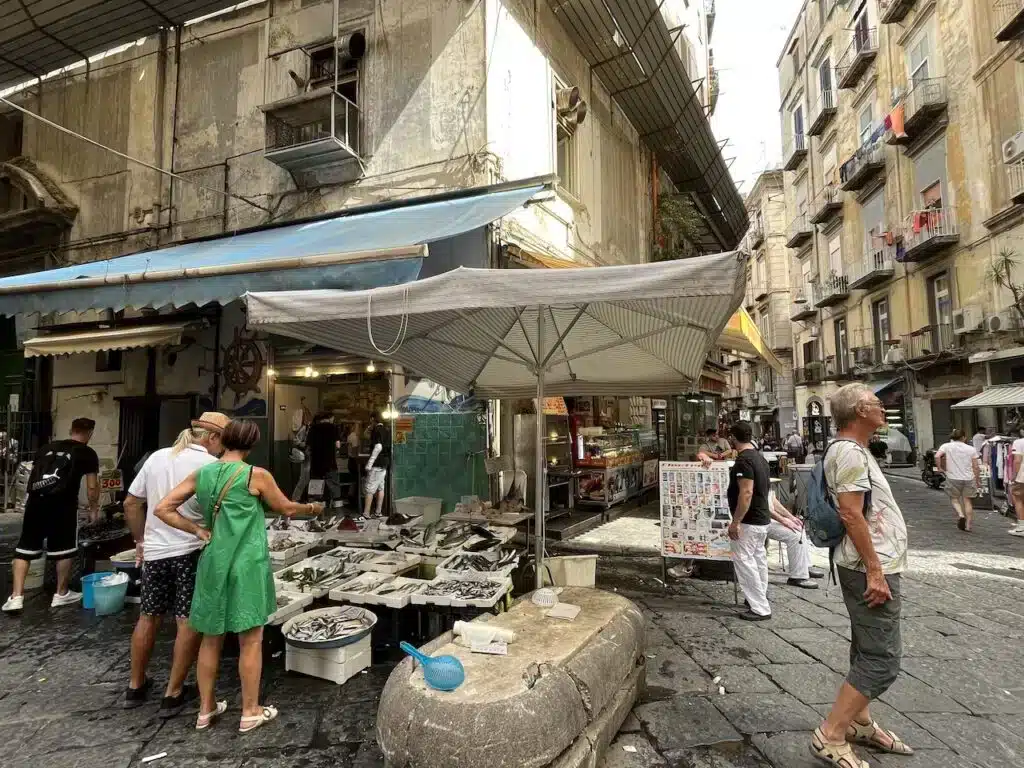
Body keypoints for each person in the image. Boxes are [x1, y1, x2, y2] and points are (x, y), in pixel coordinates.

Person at [154, 420, 323, 733]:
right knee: (251, 640)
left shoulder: (203, 474)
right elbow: (285, 508)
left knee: (210, 637)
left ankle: (205, 710)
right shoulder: (255, 475)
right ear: (251, 445)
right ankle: (250, 711)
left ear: (224, 440)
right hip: (247, 565)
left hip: (212, 562)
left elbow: (163, 508)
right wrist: (313, 507)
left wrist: (198, 530)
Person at [812, 383, 913, 768]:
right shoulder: (850, 453)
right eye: (875, 403)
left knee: (865, 649)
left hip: (867, 563)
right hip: (868, 566)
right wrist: (875, 570)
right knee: (882, 658)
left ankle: (860, 720)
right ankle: (832, 733)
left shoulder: (853, 451)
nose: (882, 407)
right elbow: (851, 513)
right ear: (858, 411)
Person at [122, 412, 228, 715]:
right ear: (213, 438)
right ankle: (173, 692)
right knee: (186, 620)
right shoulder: (211, 465)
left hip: (155, 553)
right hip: (192, 550)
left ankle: (135, 685)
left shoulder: (157, 458)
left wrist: (140, 541)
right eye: (223, 443)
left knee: (149, 616)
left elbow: (131, 502)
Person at [3, 418, 100, 612]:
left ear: (71, 430)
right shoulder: (87, 453)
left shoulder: (46, 448)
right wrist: (93, 508)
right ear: (89, 433)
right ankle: (61, 594)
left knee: (25, 549)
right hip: (62, 504)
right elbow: (92, 486)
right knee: (64, 549)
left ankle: (16, 596)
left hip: (35, 502)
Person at [701, 421, 772, 621]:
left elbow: (746, 492)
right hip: (761, 518)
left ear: (733, 437)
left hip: (749, 521)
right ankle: (759, 599)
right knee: (758, 560)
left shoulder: (744, 462)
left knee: (744, 562)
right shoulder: (760, 458)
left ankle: (759, 607)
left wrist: (736, 522)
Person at [767, 490, 824, 589]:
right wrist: (784, 520)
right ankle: (797, 576)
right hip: (757, 521)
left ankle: (804, 567)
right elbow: (763, 506)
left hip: (766, 518)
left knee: (798, 527)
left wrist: (791, 517)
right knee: (795, 536)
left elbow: (772, 500)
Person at [935, 429, 981, 532]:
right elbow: (976, 466)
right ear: (964, 438)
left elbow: (937, 456)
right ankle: (968, 525)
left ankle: (960, 514)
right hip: (968, 477)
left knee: (954, 498)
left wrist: (939, 468)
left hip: (953, 477)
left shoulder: (946, 446)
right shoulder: (971, 449)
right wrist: (977, 479)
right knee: (967, 501)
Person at [306, 412, 340, 505]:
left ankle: (319, 516)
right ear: (329, 418)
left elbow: (308, 449)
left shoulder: (313, 429)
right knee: (335, 491)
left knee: (316, 492)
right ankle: (338, 514)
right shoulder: (333, 428)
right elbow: (338, 445)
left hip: (316, 465)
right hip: (330, 464)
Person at [363, 417, 391, 518]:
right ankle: (378, 512)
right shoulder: (387, 429)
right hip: (384, 463)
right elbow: (366, 436)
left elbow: (378, 446)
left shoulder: (376, 430)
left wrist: (370, 463)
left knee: (369, 489)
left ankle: (366, 513)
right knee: (380, 487)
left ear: (372, 419)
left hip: (377, 462)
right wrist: (369, 428)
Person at [1010, 429, 1024, 537]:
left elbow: (1017, 460)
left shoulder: (1019, 442)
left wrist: (1015, 475)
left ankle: (1021, 527)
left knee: (1018, 499)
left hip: (1022, 477)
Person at [347, 422, 361, 508]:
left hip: (350, 460)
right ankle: (352, 497)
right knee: (355, 480)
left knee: (354, 480)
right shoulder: (354, 437)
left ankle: (351, 496)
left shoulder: (350, 436)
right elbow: (355, 450)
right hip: (354, 461)